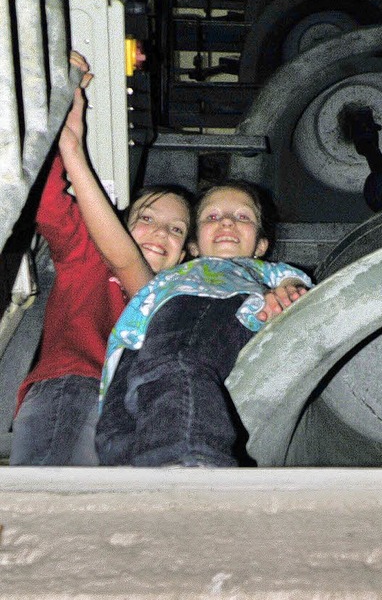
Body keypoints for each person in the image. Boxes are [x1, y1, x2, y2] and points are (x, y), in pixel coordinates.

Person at [10, 54, 193, 466]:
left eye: (176, 229)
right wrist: (52, 94)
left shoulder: (182, 295)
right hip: (75, 387)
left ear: (185, 253)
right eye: (146, 219)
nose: (162, 232)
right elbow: (45, 200)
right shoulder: (88, 252)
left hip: (139, 413)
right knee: (49, 513)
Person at [95, 180, 313, 468]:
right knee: (116, 426)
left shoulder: (251, 269)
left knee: (177, 364)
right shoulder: (173, 273)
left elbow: (291, 279)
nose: (226, 221)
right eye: (212, 217)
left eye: (242, 217)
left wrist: (290, 287)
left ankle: (189, 460)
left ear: (260, 246)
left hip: (211, 303)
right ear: (194, 245)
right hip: (138, 340)